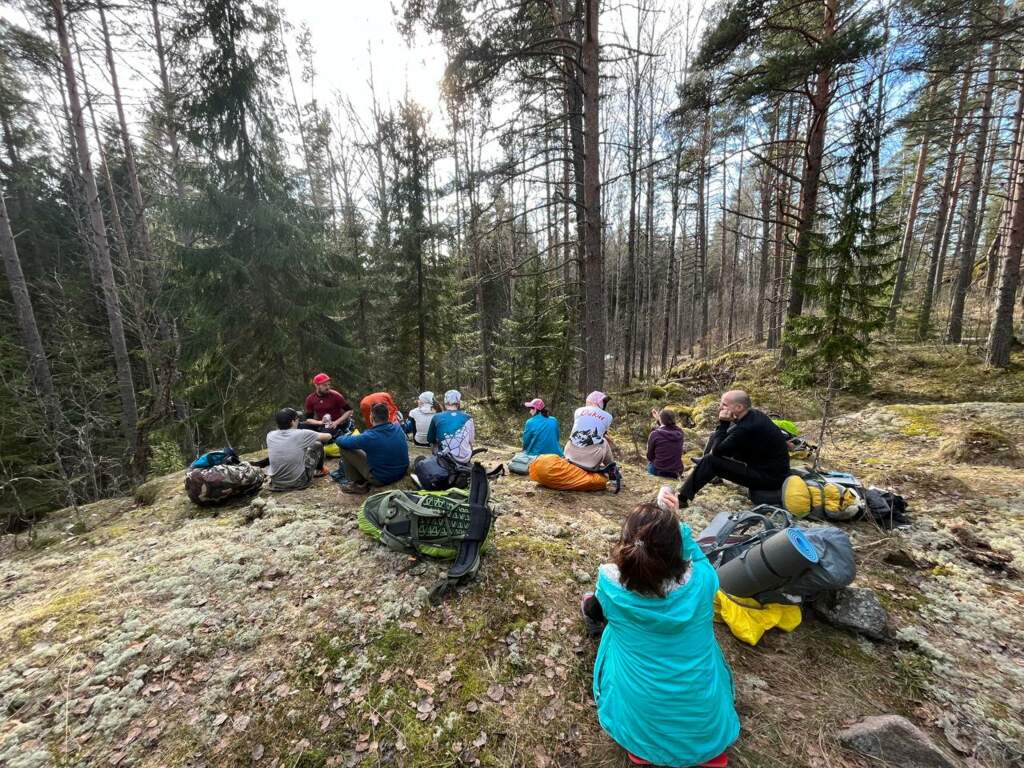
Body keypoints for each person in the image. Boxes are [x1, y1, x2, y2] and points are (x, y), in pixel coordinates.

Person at [582, 490, 740, 767]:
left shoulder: (609, 585)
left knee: (612, 632)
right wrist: (673, 521)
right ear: (676, 548)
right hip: (706, 732)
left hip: (638, 730)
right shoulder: (703, 581)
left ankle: (645, 749)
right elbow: (699, 558)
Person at [677, 389, 790, 506]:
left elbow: (716, 452)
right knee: (717, 435)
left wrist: (723, 423)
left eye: (724, 405)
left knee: (710, 461)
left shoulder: (747, 428)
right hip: (766, 466)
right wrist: (724, 426)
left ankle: (682, 499)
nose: (720, 408)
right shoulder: (753, 414)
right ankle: (708, 472)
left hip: (768, 478)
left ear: (739, 407)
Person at [335, 402, 410, 495]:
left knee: (345, 448)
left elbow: (340, 442)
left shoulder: (369, 436)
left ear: (372, 418)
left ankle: (357, 485)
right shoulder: (397, 428)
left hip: (381, 479)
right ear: (388, 415)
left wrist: (342, 437)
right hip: (401, 472)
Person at [266, 407, 333, 491]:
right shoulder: (301, 434)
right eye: (297, 418)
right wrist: (327, 427)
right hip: (298, 482)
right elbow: (327, 437)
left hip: (276, 483)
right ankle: (320, 470)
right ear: (292, 421)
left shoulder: (270, 435)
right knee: (317, 444)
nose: (298, 421)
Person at [564, 391, 615, 470]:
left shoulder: (578, 411)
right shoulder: (608, 416)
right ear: (600, 402)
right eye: (604, 402)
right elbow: (602, 434)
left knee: (573, 438)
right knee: (604, 441)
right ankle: (612, 470)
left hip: (569, 455)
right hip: (591, 461)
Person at [427, 390, 475, 463]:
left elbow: (430, 439)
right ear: (458, 403)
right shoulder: (468, 417)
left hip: (445, 457)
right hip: (465, 458)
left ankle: (437, 460)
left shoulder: (436, 417)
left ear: (445, 402)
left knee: (434, 443)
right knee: (469, 443)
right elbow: (471, 441)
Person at [646, 408, 684, 479]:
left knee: (650, 465)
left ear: (661, 420)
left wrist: (660, 419)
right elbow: (668, 427)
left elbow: (649, 456)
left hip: (659, 471)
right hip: (676, 472)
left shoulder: (654, 434)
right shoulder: (680, 433)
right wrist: (659, 419)